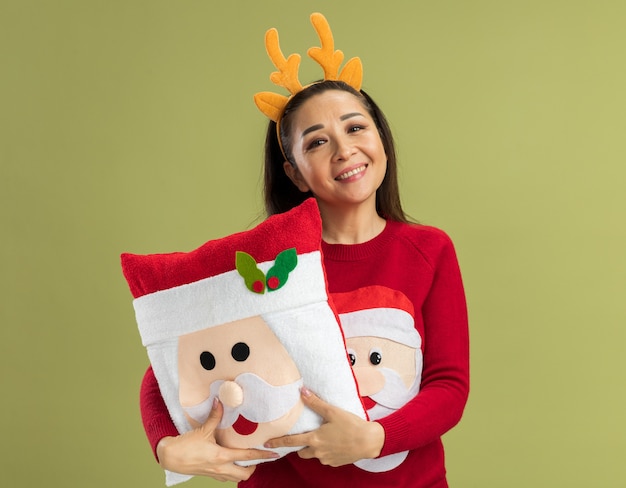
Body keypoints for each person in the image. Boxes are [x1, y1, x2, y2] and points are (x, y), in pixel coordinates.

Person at [139, 13, 469, 488]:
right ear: (293, 172)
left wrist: (375, 439)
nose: (344, 150)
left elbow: (449, 386)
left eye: (356, 128)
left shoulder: (428, 250)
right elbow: (166, 366)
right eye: (317, 142)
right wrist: (166, 445)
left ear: (381, 139)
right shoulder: (267, 262)